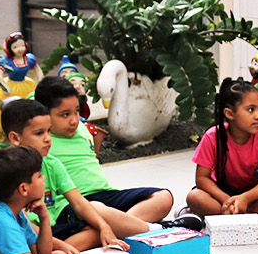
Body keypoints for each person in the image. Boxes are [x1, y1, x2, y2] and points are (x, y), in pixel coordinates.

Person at [35, 76, 176, 231]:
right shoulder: (41, 141)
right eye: (65, 114)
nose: (74, 120)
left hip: (105, 195)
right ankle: (145, 229)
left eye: (76, 111)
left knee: (163, 197)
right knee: (97, 209)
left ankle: (123, 228)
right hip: (73, 203)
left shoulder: (83, 128)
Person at [3, 97, 139, 253]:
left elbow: (79, 202)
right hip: (24, 238)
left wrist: (104, 227)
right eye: (39, 133)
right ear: (15, 138)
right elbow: (24, 227)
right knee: (49, 252)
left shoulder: (52, 164)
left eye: (49, 131)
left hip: (50, 229)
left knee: (96, 230)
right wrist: (61, 245)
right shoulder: (6, 173)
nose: (48, 139)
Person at [181, 77, 258, 225]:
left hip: (253, 194)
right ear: (230, 114)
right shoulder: (212, 136)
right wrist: (227, 200)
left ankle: (221, 216)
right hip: (222, 193)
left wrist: (245, 199)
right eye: (250, 110)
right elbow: (201, 179)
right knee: (194, 197)